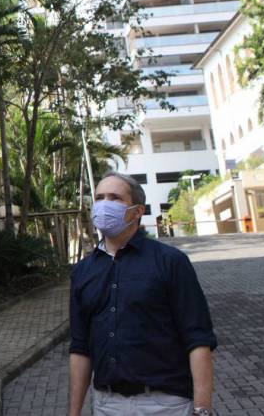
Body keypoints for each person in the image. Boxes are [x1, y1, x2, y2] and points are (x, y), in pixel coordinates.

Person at [68, 171, 217, 416]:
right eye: (99, 197)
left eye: (115, 198)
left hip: (166, 404)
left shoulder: (170, 262)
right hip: (107, 405)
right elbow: (80, 348)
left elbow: (198, 339)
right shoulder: (83, 271)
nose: (105, 204)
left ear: (137, 211)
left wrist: (202, 409)